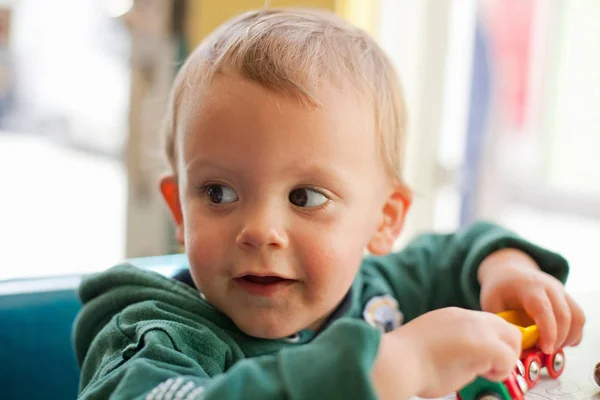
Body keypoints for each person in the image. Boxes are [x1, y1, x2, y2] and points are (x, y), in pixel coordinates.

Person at [74, 8, 585, 400]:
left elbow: (460, 252)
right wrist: (388, 368)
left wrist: (507, 270)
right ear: (181, 211)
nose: (259, 230)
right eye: (218, 193)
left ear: (383, 220)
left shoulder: (377, 290)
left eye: (305, 197)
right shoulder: (153, 334)